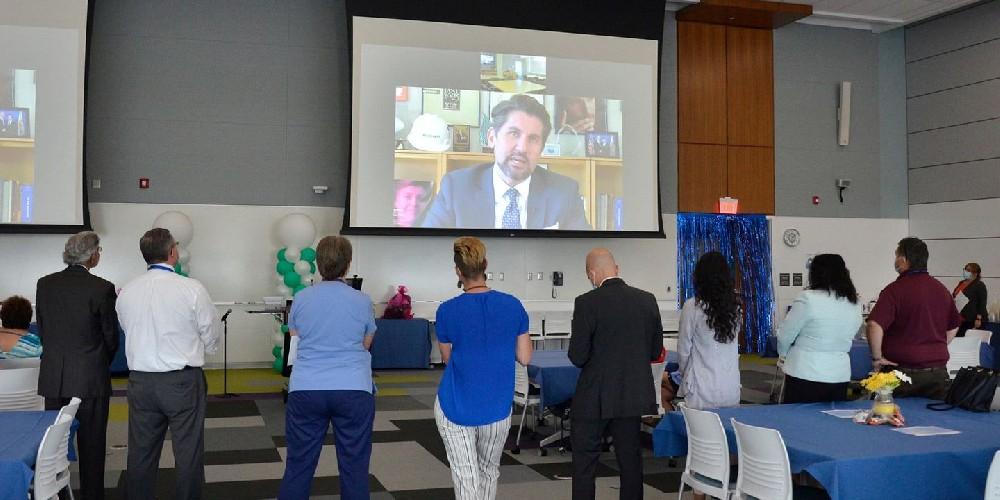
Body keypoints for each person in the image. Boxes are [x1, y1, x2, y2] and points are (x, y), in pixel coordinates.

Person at [116, 228, 219, 500]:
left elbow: (127, 329)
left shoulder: (127, 292)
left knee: (140, 454)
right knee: (188, 453)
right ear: (172, 252)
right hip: (182, 382)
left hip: (140, 381)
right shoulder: (192, 288)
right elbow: (210, 332)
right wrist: (206, 348)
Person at [279, 235, 378, 500]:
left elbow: (296, 338)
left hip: (306, 388)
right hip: (353, 389)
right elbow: (366, 343)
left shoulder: (301, 298)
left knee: (298, 466)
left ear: (318, 264)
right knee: (355, 468)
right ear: (347, 264)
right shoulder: (362, 300)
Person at [434, 237, 532, 500]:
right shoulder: (513, 305)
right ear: (485, 265)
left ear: (458, 271)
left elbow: (446, 358)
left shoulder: (446, 311)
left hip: (456, 404)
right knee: (489, 471)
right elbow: (524, 357)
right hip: (497, 406)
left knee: (466, 477)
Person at [569, 248, 662, 500]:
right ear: (617, 269)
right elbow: (655, 351)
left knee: (585, 463)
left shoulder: (586, 303)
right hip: (631, 395)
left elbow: (577, 356)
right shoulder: (647, 300)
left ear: (592, 273)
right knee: (630, 462)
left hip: (594, 397)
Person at [421, 95, 590, 230]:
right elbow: (429, 249)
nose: (522, 148)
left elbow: (582, 253)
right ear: (492, 137)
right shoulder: (456, 188)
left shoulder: (564, 192)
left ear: (541, 148)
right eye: (514, 134)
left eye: (533, 139)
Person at [35, 231, 118, 500]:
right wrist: (97, 361)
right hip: (90, 378)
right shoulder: (102, 288)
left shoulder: (44, 285)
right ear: (92, 254)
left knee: (53, 449)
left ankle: (55, 495)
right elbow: (111, 338)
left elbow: (44, 331)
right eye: (99, 250)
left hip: (53, 378)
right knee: (92, 448)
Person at [867, 237, 961, 400]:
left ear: (903, 260)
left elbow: (874, 325)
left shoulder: (894, 290)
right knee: (936, 422)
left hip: (901, 373)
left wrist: (877, 358)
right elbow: (954, 325)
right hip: (937, 374)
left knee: (893, 418)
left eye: (897, 256)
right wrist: (936, 346)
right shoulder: (941, 290)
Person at [776, 254, 863, 403]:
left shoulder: (808, 298)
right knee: (831, 422)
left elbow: (785, 335)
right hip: (839, 374)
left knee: (798, 421)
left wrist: (783, 355)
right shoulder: (854, 302)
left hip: (805, 372)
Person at [677, 251, 741, 411]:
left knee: (700, 434)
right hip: (731, 388)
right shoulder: (735, 307)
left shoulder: (692, 306)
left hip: (701, 390)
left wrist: (686, 376)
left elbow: (683, 352)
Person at [952, 262, 988, 337]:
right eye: (965, 269)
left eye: (968, 270)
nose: (965, 272)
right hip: (959, 318)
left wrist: (979, 319)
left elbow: (982, 303)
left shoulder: (979, 285)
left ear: (975, 273)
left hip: (972, 319)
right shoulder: (961, 283)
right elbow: (954, 295)